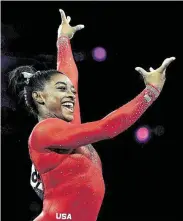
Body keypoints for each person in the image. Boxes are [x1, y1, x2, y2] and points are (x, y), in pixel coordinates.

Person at [9, 9, 175, 221]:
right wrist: (150, 93)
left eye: (72, 91)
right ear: (39, 97)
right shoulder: (44, 132)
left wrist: (63, 39)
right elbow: (105, 128)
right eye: (61, 89)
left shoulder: (68, 129)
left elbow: (69, 74)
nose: (71, 94)